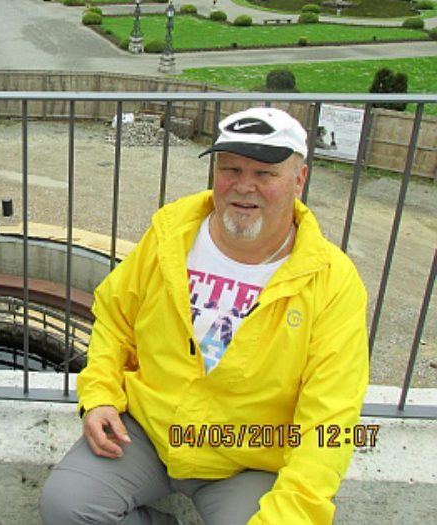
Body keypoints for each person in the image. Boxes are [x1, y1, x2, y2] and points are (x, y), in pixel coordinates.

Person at [40, 107, 369, 524]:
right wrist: (100, 395)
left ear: (299, 180)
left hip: (247, 459)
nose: (243, 186)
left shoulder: (332, 281)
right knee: (66, 506)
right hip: (148, 432)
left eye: (265, 174)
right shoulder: (170, 235)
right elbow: (114, 318)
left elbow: (330, 417)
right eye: (230, 168)